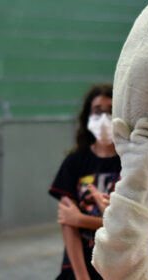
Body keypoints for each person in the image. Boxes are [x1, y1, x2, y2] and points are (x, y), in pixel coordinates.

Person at [49, 84, 121, 280]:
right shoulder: (74, 162)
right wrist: (81, 277)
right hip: (79, 268)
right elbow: (68, 222)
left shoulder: (132, 164)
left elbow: (129, 227)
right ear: (88, 117)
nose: (104, 119)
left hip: (119, 268)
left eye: (111, 111)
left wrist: (81, 220)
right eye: (98, 111)